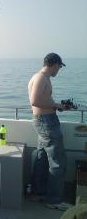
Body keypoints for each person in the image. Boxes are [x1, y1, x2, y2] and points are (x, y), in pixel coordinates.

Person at [28, 52, 73, 211]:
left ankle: (37, 193)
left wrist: (55, 105)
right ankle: (54, 200)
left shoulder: (38, 77)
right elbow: (34, 100)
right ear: (53, 64)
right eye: (59, 67)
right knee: (57, 161)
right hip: (46, 122)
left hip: (42, 121)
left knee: (42, 159)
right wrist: (57, 105)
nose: (58, 70)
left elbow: (39, 101)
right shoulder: (41, 78)